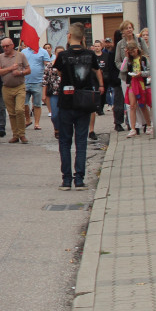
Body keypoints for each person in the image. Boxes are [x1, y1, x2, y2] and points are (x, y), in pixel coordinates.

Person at [54, 23, 104, 189]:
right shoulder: (90, 55)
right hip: (84, 101)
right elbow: (96, 71)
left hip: (66, 101)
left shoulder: (62, 55)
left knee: (65, 142)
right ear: (84, 38)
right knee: (81, 141)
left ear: (69, 36)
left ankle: (66, 179)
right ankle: (80, 178)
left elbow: (59, 73)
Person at [0, 37, 30, 143]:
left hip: (19, 86)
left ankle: (22, 134)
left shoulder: (20, 55)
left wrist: (20, 72)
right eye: (3, 46)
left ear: (12, 45)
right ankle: (15, 135)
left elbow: (28, 69)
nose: (5, 48)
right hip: (6, 88)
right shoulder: (0, 57)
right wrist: (10, 69)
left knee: (19, 110)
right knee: (11, 113)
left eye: (7, 46)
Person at [122, 41, 151, 137]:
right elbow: (123, 69)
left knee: (143, 105)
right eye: (130, 52)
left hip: (142, 84)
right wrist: (126, 57)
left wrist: (141, 73)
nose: (132, 54)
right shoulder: (129, 60)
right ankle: (133, 128)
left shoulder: (143, 59)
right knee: (132, 106)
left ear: (137, 49)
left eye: (133, 51)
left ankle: (149, 125)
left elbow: (149, 71)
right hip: (132, 84)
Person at [21, 42, 51, 131]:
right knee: (24, 103)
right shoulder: (23, 51)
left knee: (37, 104)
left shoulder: (43, 52)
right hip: (25, 81)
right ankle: (28, 119)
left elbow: (47, 64)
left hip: (38, 82)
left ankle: (37, 123)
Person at [42, 46, 66, 139]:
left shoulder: (67, 64)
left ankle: (63, 130)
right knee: (54, 115)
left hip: (65, 93)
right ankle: (56, 127)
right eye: (58, 52)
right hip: (54, 93)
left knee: (65, 114)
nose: (59, 54)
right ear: (55, 53)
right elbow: (45, 80)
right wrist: (44, 94)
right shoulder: (50, 65)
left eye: (61, 52)